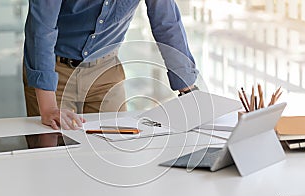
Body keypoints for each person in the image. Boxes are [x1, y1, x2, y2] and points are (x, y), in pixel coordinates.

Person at [23, 0, 199, 130]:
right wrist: (49, 108)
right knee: (54, 157)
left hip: (106, 73)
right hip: (54, 71)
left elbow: (167, 25)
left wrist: (188, 90)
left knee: (116, 150)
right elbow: (41, 30)